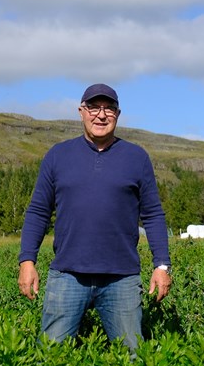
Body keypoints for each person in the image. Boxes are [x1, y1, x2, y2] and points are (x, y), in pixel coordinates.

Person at [18, 83, 172, 351]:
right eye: (93, 107)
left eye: (109, 109)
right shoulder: (58, 156)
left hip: (122, 279)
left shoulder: (136, 158)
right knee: (50, 356)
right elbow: (38, 211)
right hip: (67, 275)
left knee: (132, 356)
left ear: (118, 114)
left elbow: (153, 215)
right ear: (81, 112)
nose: (101, 115)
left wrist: (162, 266)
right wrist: (27, 261)